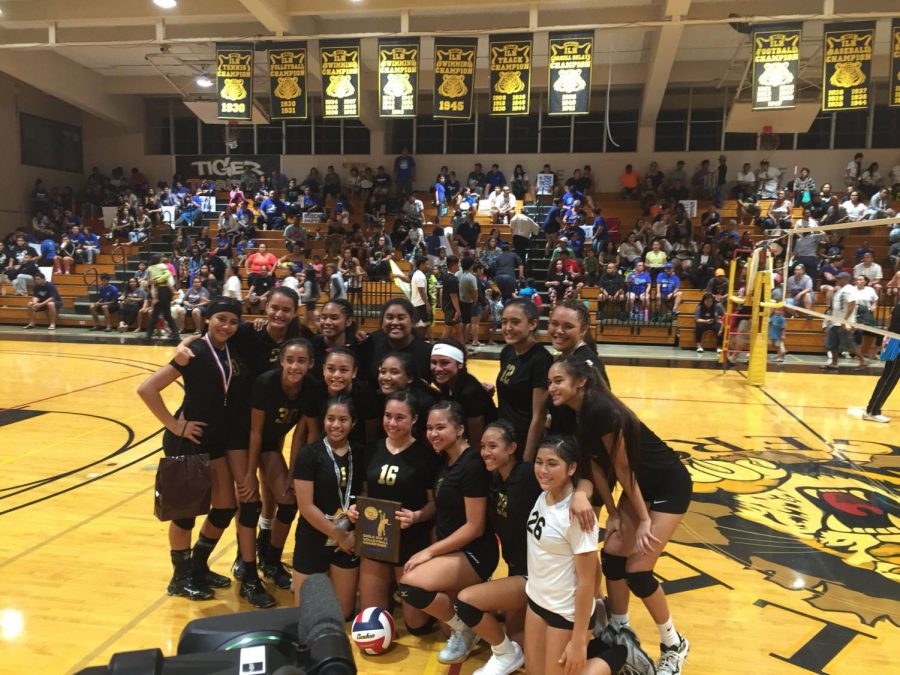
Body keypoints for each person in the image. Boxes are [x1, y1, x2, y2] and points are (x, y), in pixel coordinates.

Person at [551, 357, 692, 675]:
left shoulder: (601, 409)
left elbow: (623, 467)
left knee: (639, 571)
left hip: (669, 483)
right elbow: (597, 467)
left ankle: (673, 643)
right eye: (549, 382)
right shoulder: (577, 412)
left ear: (581, 381)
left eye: (558, 380)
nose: (552, 388)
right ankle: (620, 630)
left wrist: (643, 520)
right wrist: (613, 513)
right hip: (640, 488)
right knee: (613, 556)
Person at [137, 299, 252, 602]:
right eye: (220, 319)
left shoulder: (232, 351)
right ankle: (180, 577)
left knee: (226, 506)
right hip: (187, 441)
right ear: (207, 319)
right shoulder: (194, 352)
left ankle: (198, 566)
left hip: (216, 441)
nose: (226, 326)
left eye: (232, 321)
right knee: (184, 515)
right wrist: (175, 426)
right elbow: (147, 389)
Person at [397, 401, 499, 665]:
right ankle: (467, 621)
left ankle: (466, 627)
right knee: (439, 619)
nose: (433, 433)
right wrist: (418, 516)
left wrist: (428, 552)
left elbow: (474, 527)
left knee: (409, 585)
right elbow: (443, 509)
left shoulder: (472, 464)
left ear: (460, 429)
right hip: (451, 552)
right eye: (429, 428)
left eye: (440, 427)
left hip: (473, 553)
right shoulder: (445, 462)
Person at [450, 420, 541, 673]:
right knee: (519, 644)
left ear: (512, 447)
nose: (486, 452)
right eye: (482, 446)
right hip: (516, 571)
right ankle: (509, 651)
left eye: (493, 446)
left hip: (537, 576)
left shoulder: (527, 475)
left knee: (466, 602)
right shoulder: (496, 481)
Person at [525, 436, 619, 675]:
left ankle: (620, 655)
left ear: (572, 468)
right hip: (536, 603)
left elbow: (586, 581)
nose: (543, 470)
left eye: (552, 463)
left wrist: (578, 642)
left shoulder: (578, 515)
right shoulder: (542, 495)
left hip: (565, 613)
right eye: (539, 462)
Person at [346, 391, 437, 635]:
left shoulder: (427, 456)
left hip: (411, 541)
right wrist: (357, 508)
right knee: (372, 623)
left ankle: (402, 593)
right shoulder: (371, 450)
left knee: (416, 625)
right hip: (377, 540)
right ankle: (390, 592)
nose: (392, 423)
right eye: (388, 416)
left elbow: (434, 504)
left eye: (400, 417)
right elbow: (365, 492)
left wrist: (416, 516)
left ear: (414, 419)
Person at [243, 339, 319, 591]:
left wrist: (297, 472)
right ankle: (257, 561)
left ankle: (269, 557)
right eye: (290, 360)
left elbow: (303, 434)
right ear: (281, 361)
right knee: (263, 501)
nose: (294, 366)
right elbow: (255, 431)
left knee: (286, 499)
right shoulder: (266, 383)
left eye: (301, 361)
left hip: (273, 442)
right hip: (248, 441)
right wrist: (251, 472)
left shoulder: (311, 387)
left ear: (311, 364)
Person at [292, 395, 362, 616]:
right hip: (313, 538)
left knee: (342, 614)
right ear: (323, 421)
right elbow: (306, 507)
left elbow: (367, 497)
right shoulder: (309, 454)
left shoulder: (361, 453)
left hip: (348, 541)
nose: (336, 425)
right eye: (331, 419)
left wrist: (352, 533)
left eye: (343, 420)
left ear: (354, 423)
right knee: (306, 614)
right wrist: (338, 534)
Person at [496, 300, 553, 460]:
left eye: (515, 322)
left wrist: (528, 458)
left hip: (523, 441)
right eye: (504, 322)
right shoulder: (507, 352)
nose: (507, 328)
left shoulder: (540, 359)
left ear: (532, 324)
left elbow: (539, 416)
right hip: (504, 437)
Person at [431, 340, 497, 447]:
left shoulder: (469, 393)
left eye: (444, 363)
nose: (437, 368)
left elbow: (476, 439)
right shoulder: (449, 382)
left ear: (460, 364)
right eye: (434, 362)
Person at [359, 298, 433, 383]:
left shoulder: (427, 352)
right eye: (389, 317)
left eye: (401, 318)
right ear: (382, 321)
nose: (395, 322)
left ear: (412, 321)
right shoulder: (371, 343)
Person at [862, 301, 900, 423]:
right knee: (889, 378)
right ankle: (872, 411)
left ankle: (873, 409)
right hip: (897, 344)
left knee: (890, 378)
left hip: (894, 341)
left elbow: (890, 318)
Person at [823, 273, 867, 371]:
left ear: (845, 279)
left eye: (839, 279)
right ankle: (834, 363)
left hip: (845, 322)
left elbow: (851, 304)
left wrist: (845, 320)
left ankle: (863, 360)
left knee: (850, 343)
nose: (837, 280)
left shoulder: (850, 289)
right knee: (833, 343)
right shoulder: (840, 290)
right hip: (835, 321)